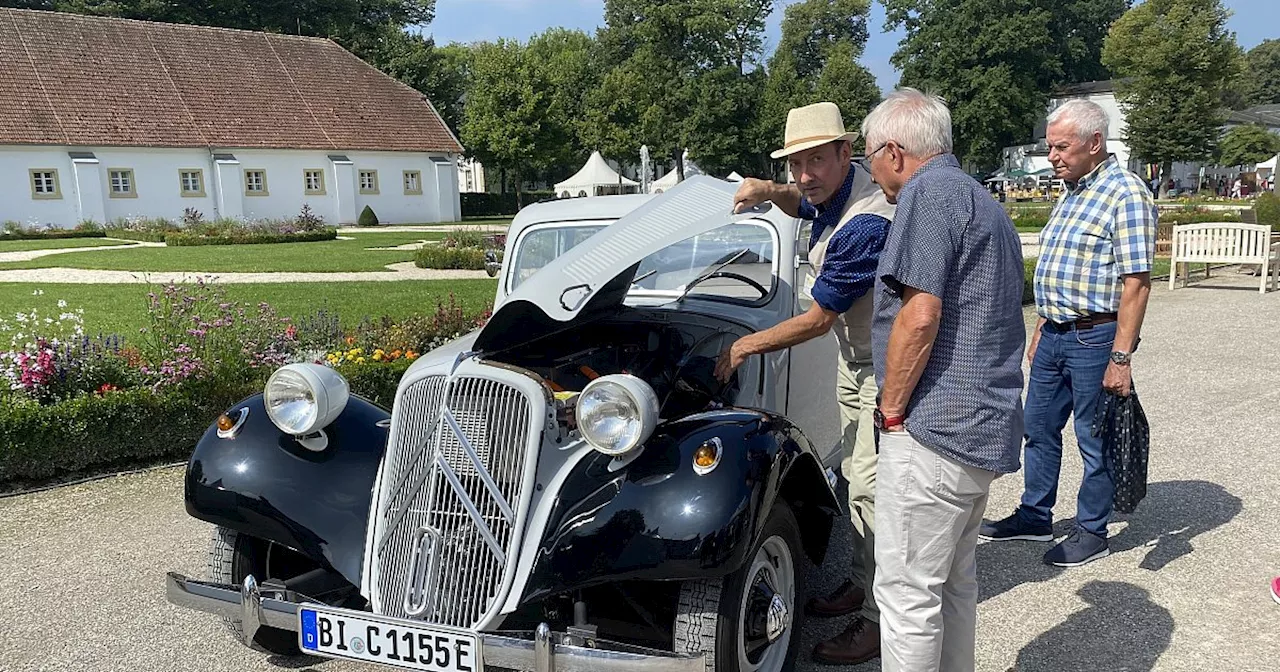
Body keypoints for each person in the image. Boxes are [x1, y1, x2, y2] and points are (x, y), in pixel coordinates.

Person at [717, 100, 894, 666]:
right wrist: (770, 190)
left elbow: (818, 318)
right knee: (850, 475)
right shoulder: (832, 192)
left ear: (847, 152)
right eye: (796, 164)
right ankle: (861, 581)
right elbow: (803, 203)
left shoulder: (866, 221)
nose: (805, 175)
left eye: (816, 160)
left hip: (881, 363)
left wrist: (743, 345)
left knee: (870, 487)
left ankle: (880, 620)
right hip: (854, 355)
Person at [861, 88, 1026, 672]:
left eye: (869, 157)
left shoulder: (927, 196)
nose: (872, 170)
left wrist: (892, 410)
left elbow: (920, 313)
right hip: (980, 427)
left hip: (934, 428)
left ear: (894, 151)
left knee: (906, 597)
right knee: (952, 586)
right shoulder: (981, 199)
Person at [980, 98, 1155, 568]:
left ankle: (1092, 530)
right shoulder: (1073, 191)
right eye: (1051, 146)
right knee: (1037, 429)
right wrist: (1042, 325)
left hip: (1095, 337)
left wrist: (1121, 357)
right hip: (1056, 332)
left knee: (1093, 436)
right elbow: (1062, 269)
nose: (1052, 156)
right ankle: (1036, 515)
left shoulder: (1125, 193)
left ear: (1095, 143)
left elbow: (1136, 282)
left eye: (1061, 147)